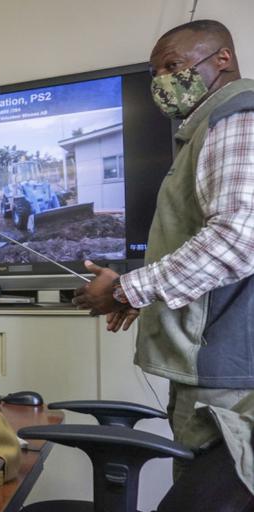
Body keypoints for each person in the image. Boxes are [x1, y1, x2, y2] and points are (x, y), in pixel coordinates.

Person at [72, 20, 254, 477]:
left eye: (173, 66)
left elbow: (239, 237)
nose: (162, 83)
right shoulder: (202, 131)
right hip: (210, 361)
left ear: (223, 59)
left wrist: (126, 290)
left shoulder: (236, 116)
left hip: (227, 370)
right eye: (155, 73)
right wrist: (147, 297)